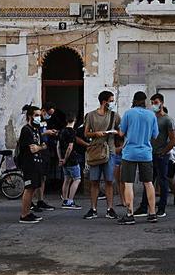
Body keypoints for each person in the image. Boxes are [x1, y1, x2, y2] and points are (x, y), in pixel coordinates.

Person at [118, 91, 158, 225]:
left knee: (128, 183)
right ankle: (152, 213)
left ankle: (130, 214)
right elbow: (155, 135)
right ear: (145, 101)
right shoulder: (151, 115)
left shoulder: (128, 113)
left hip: (129, 153)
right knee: (148, 183)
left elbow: (121, 132)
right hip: (146, 153)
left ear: (134, 100)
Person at [83, 91, 121, 220]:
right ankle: (93, 208)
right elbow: (86, 133)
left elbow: (121, 132)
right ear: (104, 102)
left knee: (109, 181)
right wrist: (96, 134)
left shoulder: (114, 116)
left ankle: (110, 208)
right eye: (111, 100)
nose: (112, 103)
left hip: (109, 151)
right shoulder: (91, 115)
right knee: (94, 181)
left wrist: (117, 134)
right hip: (95, 151)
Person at [148, 93, 175, 216]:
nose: (153, 105)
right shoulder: (151, 118)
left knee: (163, 181)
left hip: (162, 155)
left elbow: (173, 139)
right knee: (149, 181)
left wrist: (164, 151)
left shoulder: (168, 119)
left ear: (162, 103)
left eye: (156, 102)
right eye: (152, 103)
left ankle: (162, 208)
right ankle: (147, 206)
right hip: (151, 154)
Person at [16, 105, 45, 224]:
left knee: (33, 189)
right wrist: (40, 147)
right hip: (29, 164)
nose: (39, 118)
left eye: (39, 115)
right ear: (30, 116)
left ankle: (28, 212)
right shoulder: (26, 130)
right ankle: (24, 214)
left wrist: (40, 147)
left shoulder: (36, 130)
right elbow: (32, 149)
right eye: (36, 115)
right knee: (28, 189)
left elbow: (43, 145)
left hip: (36, 163)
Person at [36, 102, 63, 212]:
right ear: (43, 111)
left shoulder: (45, 122)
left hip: (46, 149)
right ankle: (35, 201)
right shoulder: (35, 122)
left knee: (43, 177)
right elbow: (36, 134)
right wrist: (46, 133)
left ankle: (40, 200)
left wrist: (51, 132)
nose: (49, 116)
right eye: (48, 113)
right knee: (37, 177)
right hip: (39, 150)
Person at [56, 111, 82, 209]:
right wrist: (66, 159)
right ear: (75, 120)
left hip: (63, 159)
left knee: (67, 179)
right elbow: (70, 147)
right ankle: (70, 201)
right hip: (71, 159)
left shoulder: (62, 131)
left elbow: (58, 146)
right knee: (77, 179)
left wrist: (60, 159)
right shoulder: (72, 132)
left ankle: (65, 200)